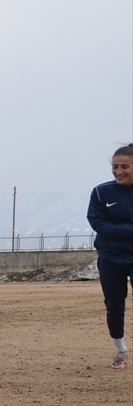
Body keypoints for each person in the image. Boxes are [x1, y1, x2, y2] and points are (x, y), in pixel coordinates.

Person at [86, 144, 133, 371]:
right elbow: (98, 223)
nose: (119, 172)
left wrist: (117, 228)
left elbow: (108, 225)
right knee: (114, 304)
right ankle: (120, 350)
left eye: (125, 167)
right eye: (115, 167)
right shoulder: (100, 192)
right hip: (110, 258)